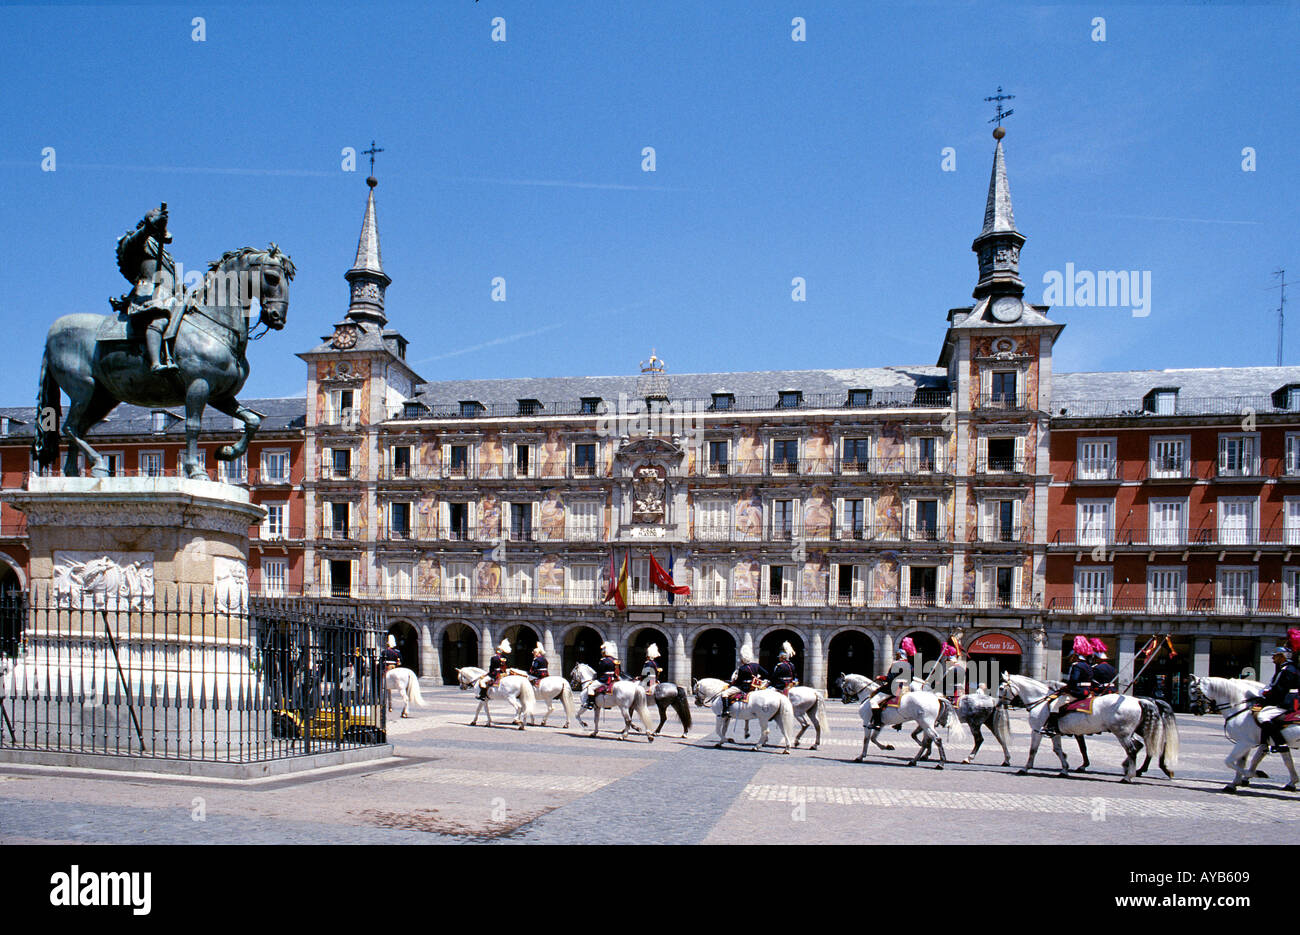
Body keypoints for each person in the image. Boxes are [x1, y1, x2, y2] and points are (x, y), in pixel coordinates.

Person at [112, 204, 181, 372]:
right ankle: (155, 362)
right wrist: (150, 226)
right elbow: (136, 240)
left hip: (169, 295)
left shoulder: (163, 252)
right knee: (159, 321)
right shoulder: (137, 242)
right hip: (149, 294)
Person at [1250, 646, 1300, 753]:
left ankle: (1280, 742)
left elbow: (1280, 690)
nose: (1273, 658)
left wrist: (1266, 696)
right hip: (1284, 699)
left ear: (1282, 657)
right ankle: (1265, 743)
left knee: (1263, 716)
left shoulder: (1288, 670)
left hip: (1287, 702)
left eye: (1275, 656)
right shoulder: (1285, 668)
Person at [1042, 636, 1094, 736]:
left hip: (1078, 692)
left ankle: (1052, 728)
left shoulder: (1076, 665)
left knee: (1054, 705)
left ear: (1076, 655)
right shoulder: (1088, 666)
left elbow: (1074, 680)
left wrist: (1067, 689)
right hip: (1087, 691)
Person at [868, 638, 914, 730]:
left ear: (899, 655)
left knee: (873, 701)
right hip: (905, 688)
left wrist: (880, 677)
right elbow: (911, 678)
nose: (896, 656)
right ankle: (898, 723)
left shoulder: (896, 664)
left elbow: (890, 678)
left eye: (897, 655)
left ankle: (877, 723)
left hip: (893, 688)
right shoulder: (910, 665)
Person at [723, 646, 768, 716]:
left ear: (743, 660)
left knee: (724, 693)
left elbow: (739, 681)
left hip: (744, 687)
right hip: (754, 686)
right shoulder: (756, 665)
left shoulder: (742, 668)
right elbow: (766, 673)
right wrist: (758, 679)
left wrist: (732, 684)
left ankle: (726, 711)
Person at [584, 642, 621, 709]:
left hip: (605, 679)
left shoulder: (604, 661)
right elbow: (618, 671)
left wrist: (596, 678)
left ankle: (590, 703)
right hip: (614, 679)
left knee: (590, 687)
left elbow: (600, 672)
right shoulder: (616, 661)